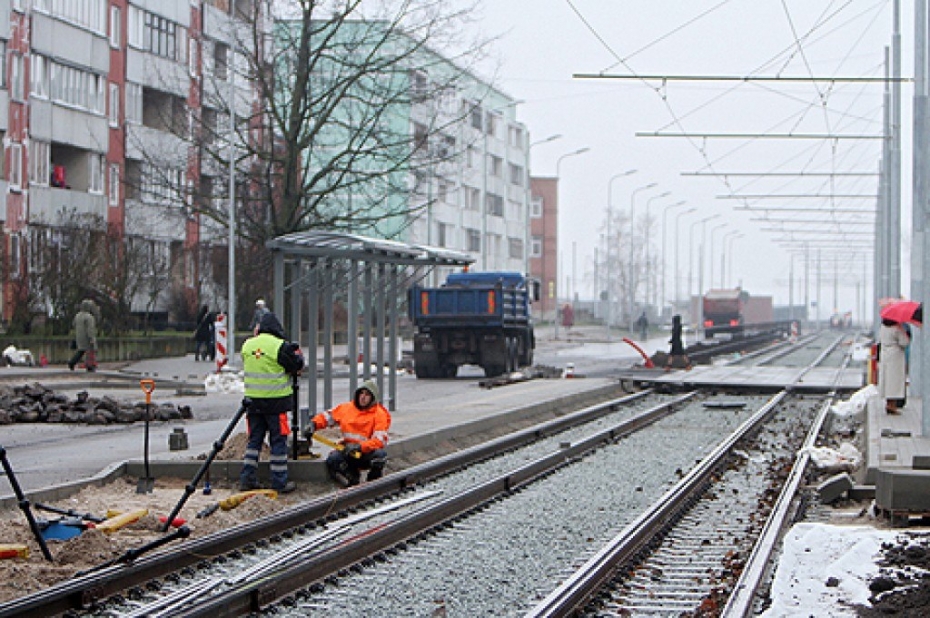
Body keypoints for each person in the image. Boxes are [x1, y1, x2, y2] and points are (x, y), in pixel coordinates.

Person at [239, 312, 304, 493]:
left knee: (254, 442)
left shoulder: (247, 345)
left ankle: (247, 478)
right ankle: (279, 482)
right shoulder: (279, 346)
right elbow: (296, 365)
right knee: (278, 443)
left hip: (253, 404)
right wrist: (297, 354)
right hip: (276, 404)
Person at [305, 379, 391, 487]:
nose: (363, 397)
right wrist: (313, 424)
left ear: (373, 398)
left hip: (366, 453)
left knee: (380, 457)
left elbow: (380, 441)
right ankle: (352, 478)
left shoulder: (379, 414)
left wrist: (360, 447)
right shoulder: (347, 408)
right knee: (333, 459)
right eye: (361, 393)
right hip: (347, 451)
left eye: (367, 394)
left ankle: (374, 482)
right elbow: (328, 417)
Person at [878, 318, 910, 414]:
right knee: (895, 382)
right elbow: (904, 342)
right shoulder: (897, 328)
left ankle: (888, 403)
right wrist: (904, 333)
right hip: (895, 356)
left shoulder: (883, 327)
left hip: (885, 354)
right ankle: (892, 406)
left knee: (887, 381)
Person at [68, 299, 98, 372]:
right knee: (90, 351)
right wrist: (91, 338)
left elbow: (73, 324)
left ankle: (72, 362)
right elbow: (90, 329)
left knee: (81, 351)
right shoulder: (89, 317)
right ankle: (90, 365)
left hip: (78, 336)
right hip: (86, 337)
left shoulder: (77, 315)